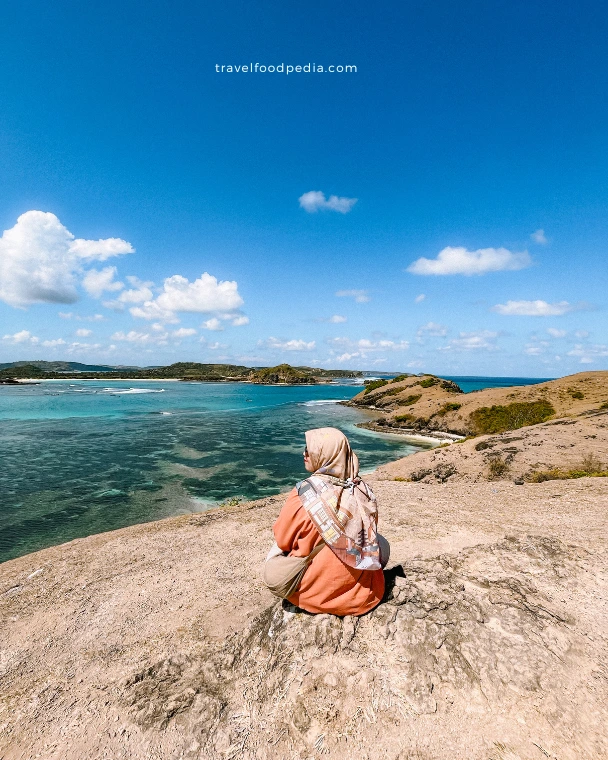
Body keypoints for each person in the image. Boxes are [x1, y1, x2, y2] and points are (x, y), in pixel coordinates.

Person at [268, 427, 386, 616]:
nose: (304, 453)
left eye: (309, 449)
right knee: (382, 543)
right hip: (364, 593)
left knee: (274, 556)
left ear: (324, 455)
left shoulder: (304, 494)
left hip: (315, 594)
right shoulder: (363, 490)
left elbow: (283, 541)